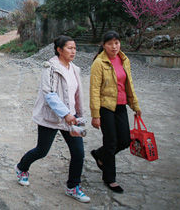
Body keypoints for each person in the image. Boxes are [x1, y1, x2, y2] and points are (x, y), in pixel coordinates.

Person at [14, 36, 90, 203]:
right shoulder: (50, 68)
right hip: (52, 117)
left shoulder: (74, 69)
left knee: (78, 153)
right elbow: (49, 94)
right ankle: (21, 168)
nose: (73, 51)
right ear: (59, 50)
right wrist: (65, 114)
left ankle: (73, 187)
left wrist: (77, 115)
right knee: (42, 150)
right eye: (69, 48)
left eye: (75, 48)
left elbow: (77, 96)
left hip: (71, 118)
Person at [90, 30, 141, 194]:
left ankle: (99, 154)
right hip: (106, 107)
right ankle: (110, 179)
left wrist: (135, 106)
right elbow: (94, 90)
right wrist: (95, 115)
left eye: (117, 43)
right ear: (104, 45)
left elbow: (129, 84)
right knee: (111, 143)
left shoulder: (124, 59)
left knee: (125, 140)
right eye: (110, 43)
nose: (114, 46)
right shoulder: (99, 63)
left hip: (121, 106)